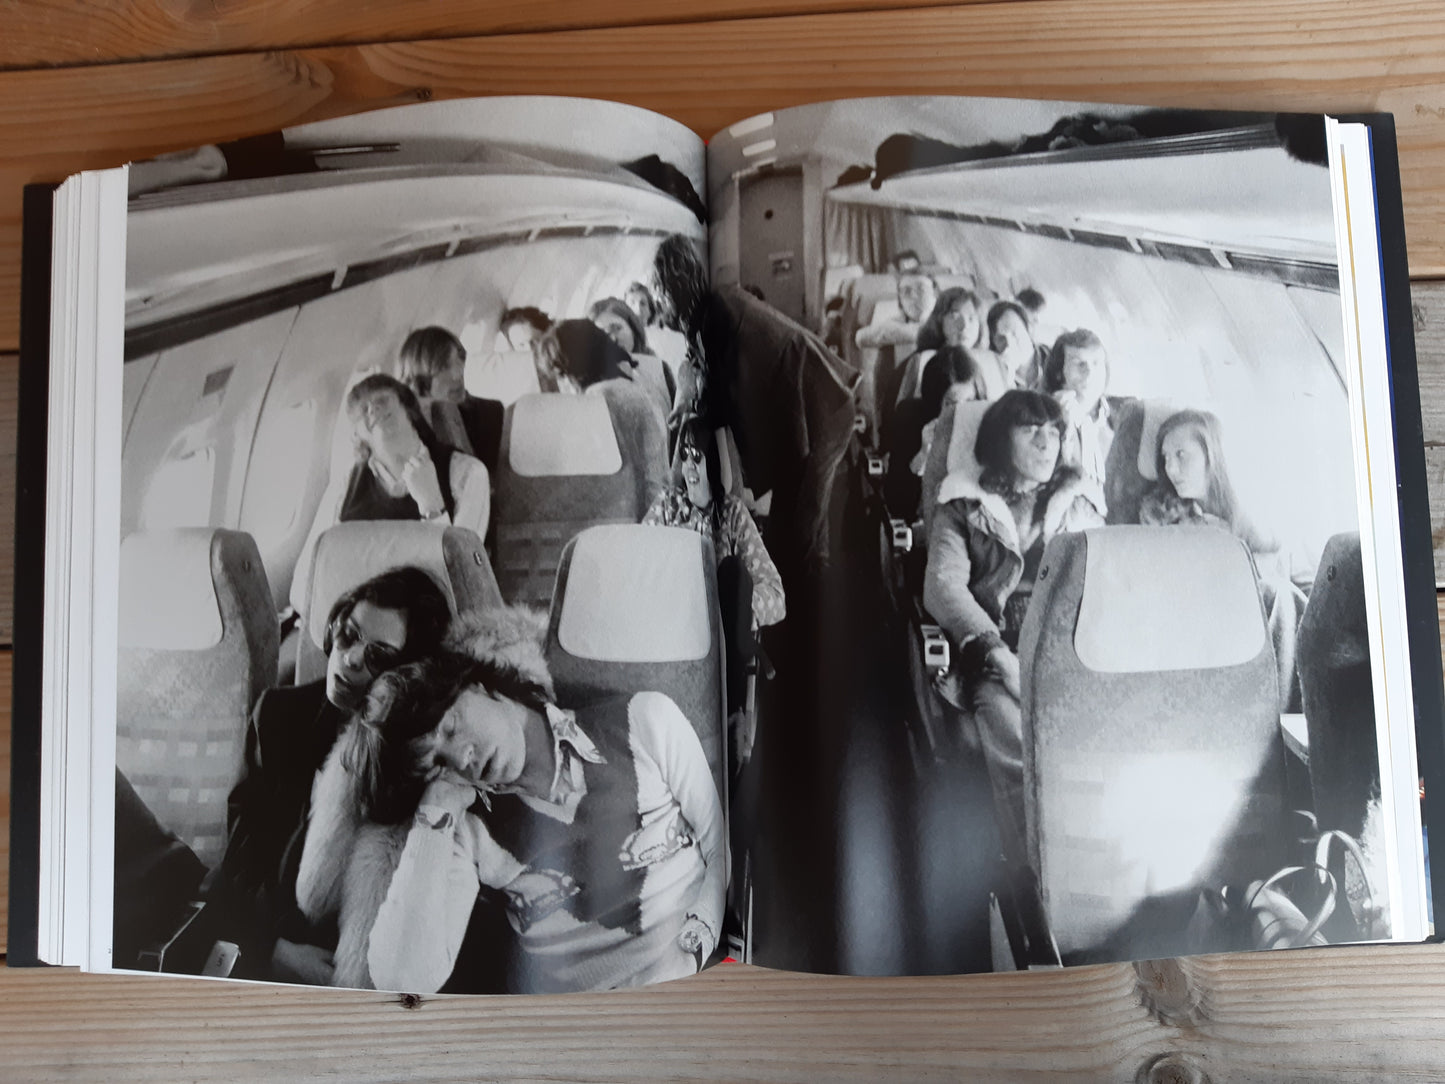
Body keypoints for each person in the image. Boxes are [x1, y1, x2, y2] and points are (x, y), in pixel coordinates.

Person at [298, 618, 726, 994]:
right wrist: (434, 809)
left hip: (698, 975)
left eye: (451, 728)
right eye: (439, 765)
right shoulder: (469, 833)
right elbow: (402, 978)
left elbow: (720, 849)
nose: (462, 758)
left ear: (476, 687)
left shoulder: (643, 721)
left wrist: (694, 949)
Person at [204, 567, 451, 984]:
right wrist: (272, 949)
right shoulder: (279, 717)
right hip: (276, 953)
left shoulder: (425, 754)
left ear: (409, 675)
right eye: (349, 635)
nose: (351, 658)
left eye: (378, 657)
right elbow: (240, 864)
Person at [923, 390, 1104, 869]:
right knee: (1022, 749)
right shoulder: (964, 504)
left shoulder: (1079, 504)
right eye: (1030, 430)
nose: (1047, 443)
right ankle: (1037, 873)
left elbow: (1106, 582)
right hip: (995, 650)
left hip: (1072, 651)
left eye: (1054, 433)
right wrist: (996, 653)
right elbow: (943, 586)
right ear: (1001, 439)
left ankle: (1096, 859)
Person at [290, 374, 491, 618]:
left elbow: (463, 579)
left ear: (409, 410)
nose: (372, 409)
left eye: (382, 400)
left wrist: (432, 507)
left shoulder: (467, 473)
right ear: (357, 434)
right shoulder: (343, 486)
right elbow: (304, 583)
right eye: (362, 409)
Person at [1139, 408, 1299, 709]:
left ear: (1212, 456)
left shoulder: (1249, 513)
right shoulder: (1159, 513)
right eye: (1165, 458)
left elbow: (1267, 565)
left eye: (1181, 455)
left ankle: (1279, 712)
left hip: (1244, 623)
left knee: (1283, 595)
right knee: (1275, 594)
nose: (1170, 468)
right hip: (1191, 620)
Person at [644, 416, 786, 629]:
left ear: (713, 461)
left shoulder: (733, 514)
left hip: (720, 635)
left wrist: (734, 607)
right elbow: (637, 565)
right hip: (671, 630)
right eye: (684, 454)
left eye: (696, 456)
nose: (688, 467)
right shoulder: (667, 505)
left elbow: (776, 595)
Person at [394, 325, 504, 470]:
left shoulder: (490, 414)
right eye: (443, 367)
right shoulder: (406, 435)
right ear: (418, 379)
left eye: (459, 360)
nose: (458, 374)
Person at [1040, 329, 1114, 490]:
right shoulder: (1043, 416)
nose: (1089, 372)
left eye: (1096, 363)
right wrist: (1063, 427)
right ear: (1059, 373)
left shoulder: (1120, 415)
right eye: (1079, 363)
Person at [983, 299, 1046, 395]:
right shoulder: (991, 375)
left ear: (1029, 329)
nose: (1009, 343)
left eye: (1014, 333)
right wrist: (1006, 378)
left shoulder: (1055, 356)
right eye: (1001, 338)